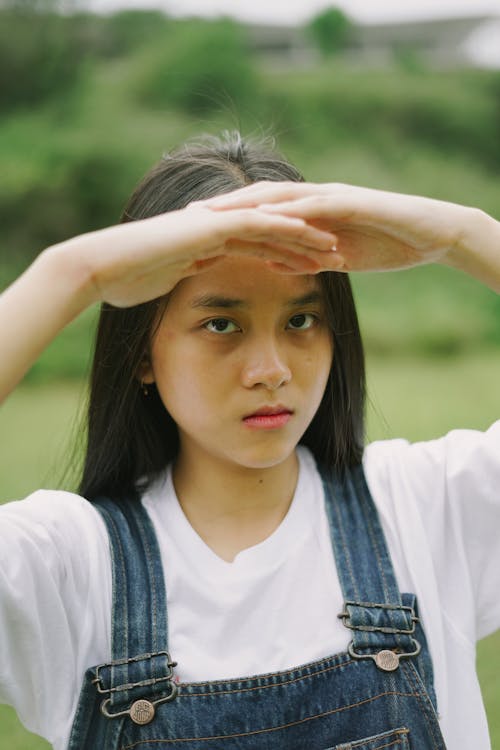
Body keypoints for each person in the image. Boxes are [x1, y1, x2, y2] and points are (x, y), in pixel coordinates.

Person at [0, 131, 499, 750]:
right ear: (142, 353)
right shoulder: (69, 567)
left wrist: (462, 236)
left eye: (300, 320)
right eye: (221, 324)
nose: (272, 369)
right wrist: (72, 273)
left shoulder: (428, 507)